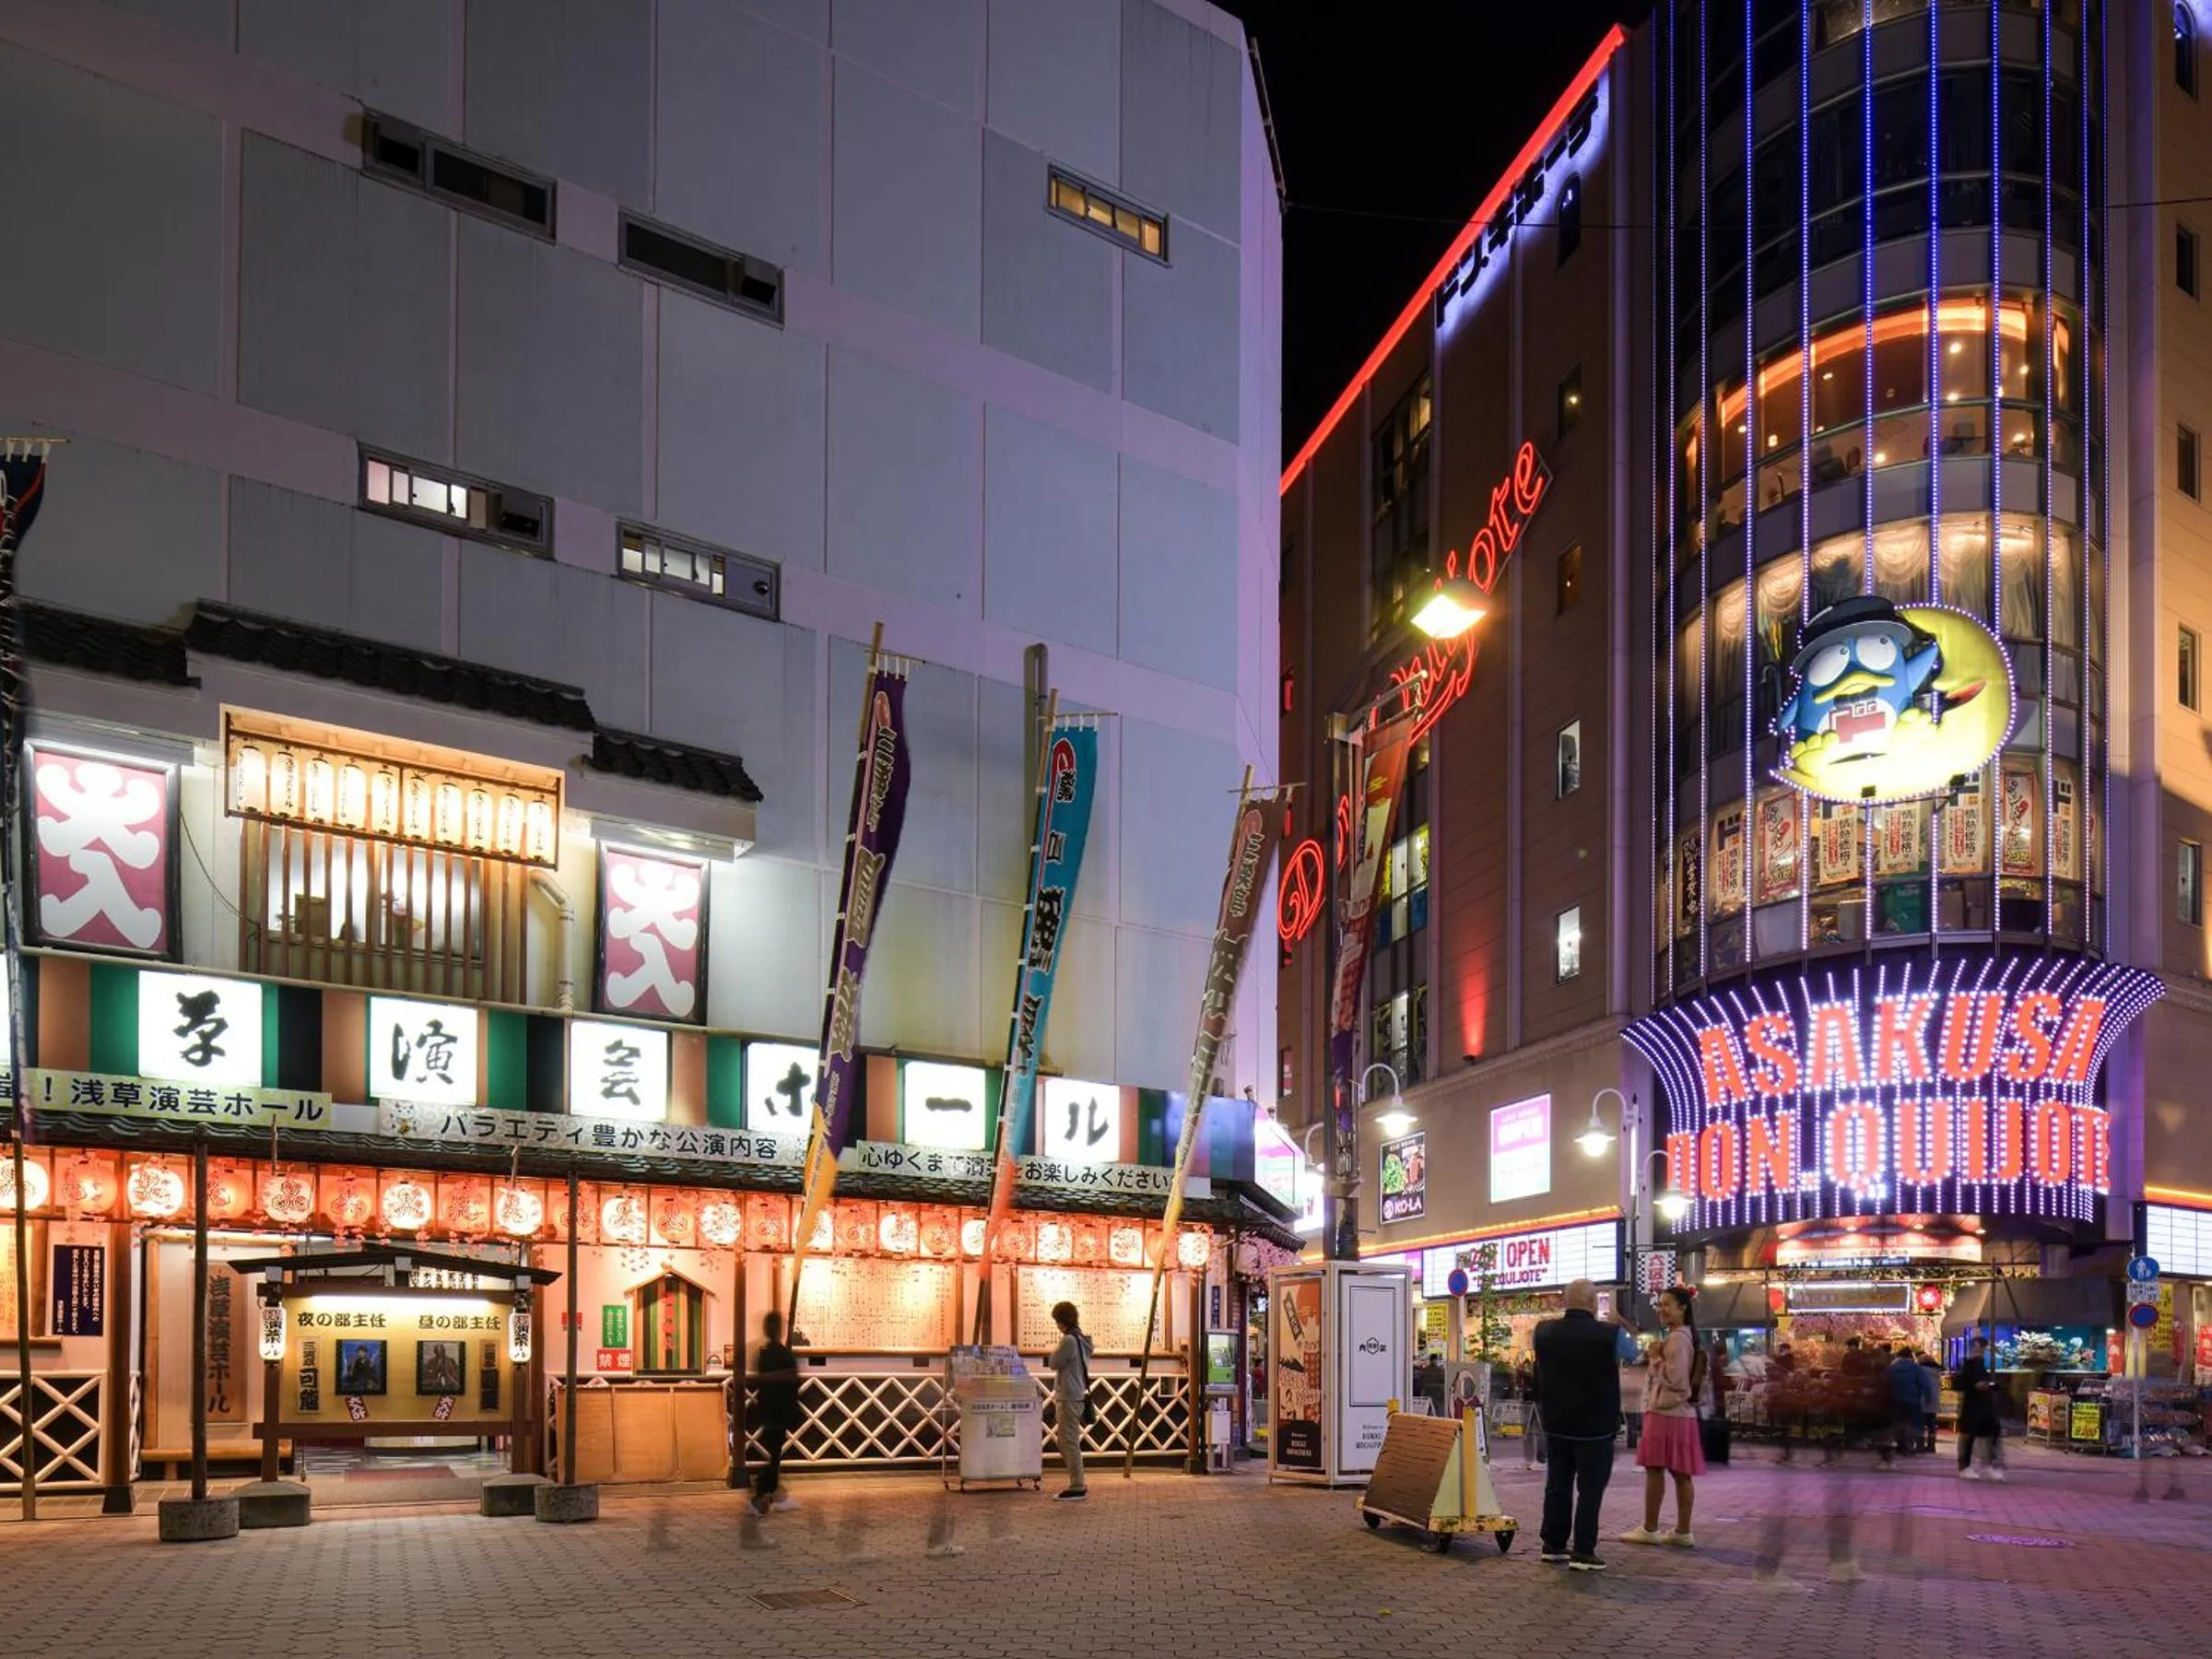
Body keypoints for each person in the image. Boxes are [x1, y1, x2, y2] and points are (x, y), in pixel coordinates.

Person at [1531, 1280, 1623, 1572]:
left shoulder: (1543, 1332)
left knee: (1557, 1485)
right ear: (1594, 1303)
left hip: (1556, 1423)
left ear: (1564, 1301)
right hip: (1595, 1427)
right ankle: (1584, 1551)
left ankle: (1554, 1545)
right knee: (1590, 1489)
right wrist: (1622, 1324)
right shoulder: (1611, 1335)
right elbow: (1635, 1354)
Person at [1621, 1286, 1706, 1548]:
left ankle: (1651, 1528)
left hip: (1666, 1412)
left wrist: (1656, 1358)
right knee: (1681, 1473)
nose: (1662, 1309)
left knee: (1656, 1469)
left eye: (1668, 1304)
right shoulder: (1685, 1336)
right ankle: (1682, 1531)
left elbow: (1677, 1381)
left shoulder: (1678, 1339)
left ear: (1683, 1307)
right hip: (1682, 1415)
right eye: (1660, 1304)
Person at [749, 1312, 801, 1515]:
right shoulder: (783, 1354)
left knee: (773, 1453)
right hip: (780, 1409)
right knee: (774, 1455)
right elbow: (793, 1379)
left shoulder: (763, 1354)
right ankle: (763, 1492)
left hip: (767, 1408)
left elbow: (760, 1380)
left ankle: (769, 1493)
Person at [1048, 1300, 1093, 1500]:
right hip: (1076, 1396)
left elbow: (1053, 1362)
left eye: (1057, 1321)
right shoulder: (1081, 1339)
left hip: (1068, 1397)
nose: (1056, 1326)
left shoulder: (1069, 1341)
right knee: (1066, 1442)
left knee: (1069, 1443)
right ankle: (1077, 1482)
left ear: (1062, 1320)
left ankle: (1077, 1486)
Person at [1955, 1335, 2006, 1481]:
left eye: (1982, 1349)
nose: (1980, 1352)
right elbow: (1960, 1384)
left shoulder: (1980, 1364)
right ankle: (1965, 1467)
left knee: (1990, 1434)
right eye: (1978, 1348)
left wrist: (1990, 1387)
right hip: (1972, 1408)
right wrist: (1974, 1386)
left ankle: (1987, 1466)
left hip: (1983, 1407)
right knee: (1969, 1437)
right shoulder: (1969, 1365)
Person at [1886, 1345, 1934, 1463]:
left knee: (1898, 1422)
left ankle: (1899, 1444)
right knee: (1911, 1423)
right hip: (1912, 1400)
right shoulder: (1915, 1368)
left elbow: (1885, 1383)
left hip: (1895, 1399)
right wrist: (1927, 1397)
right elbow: (1925, 1384)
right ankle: (1908, 1445)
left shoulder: (1892, 1368)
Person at [1918, 1351, 1944, 1453]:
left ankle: (1920, 1446)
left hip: (1922, 1400)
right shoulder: (1937, 1372)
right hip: (1934, 1401)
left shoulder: (1920, 1371)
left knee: (1920, 1424)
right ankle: (1931, 1446)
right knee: (1931, 1426)